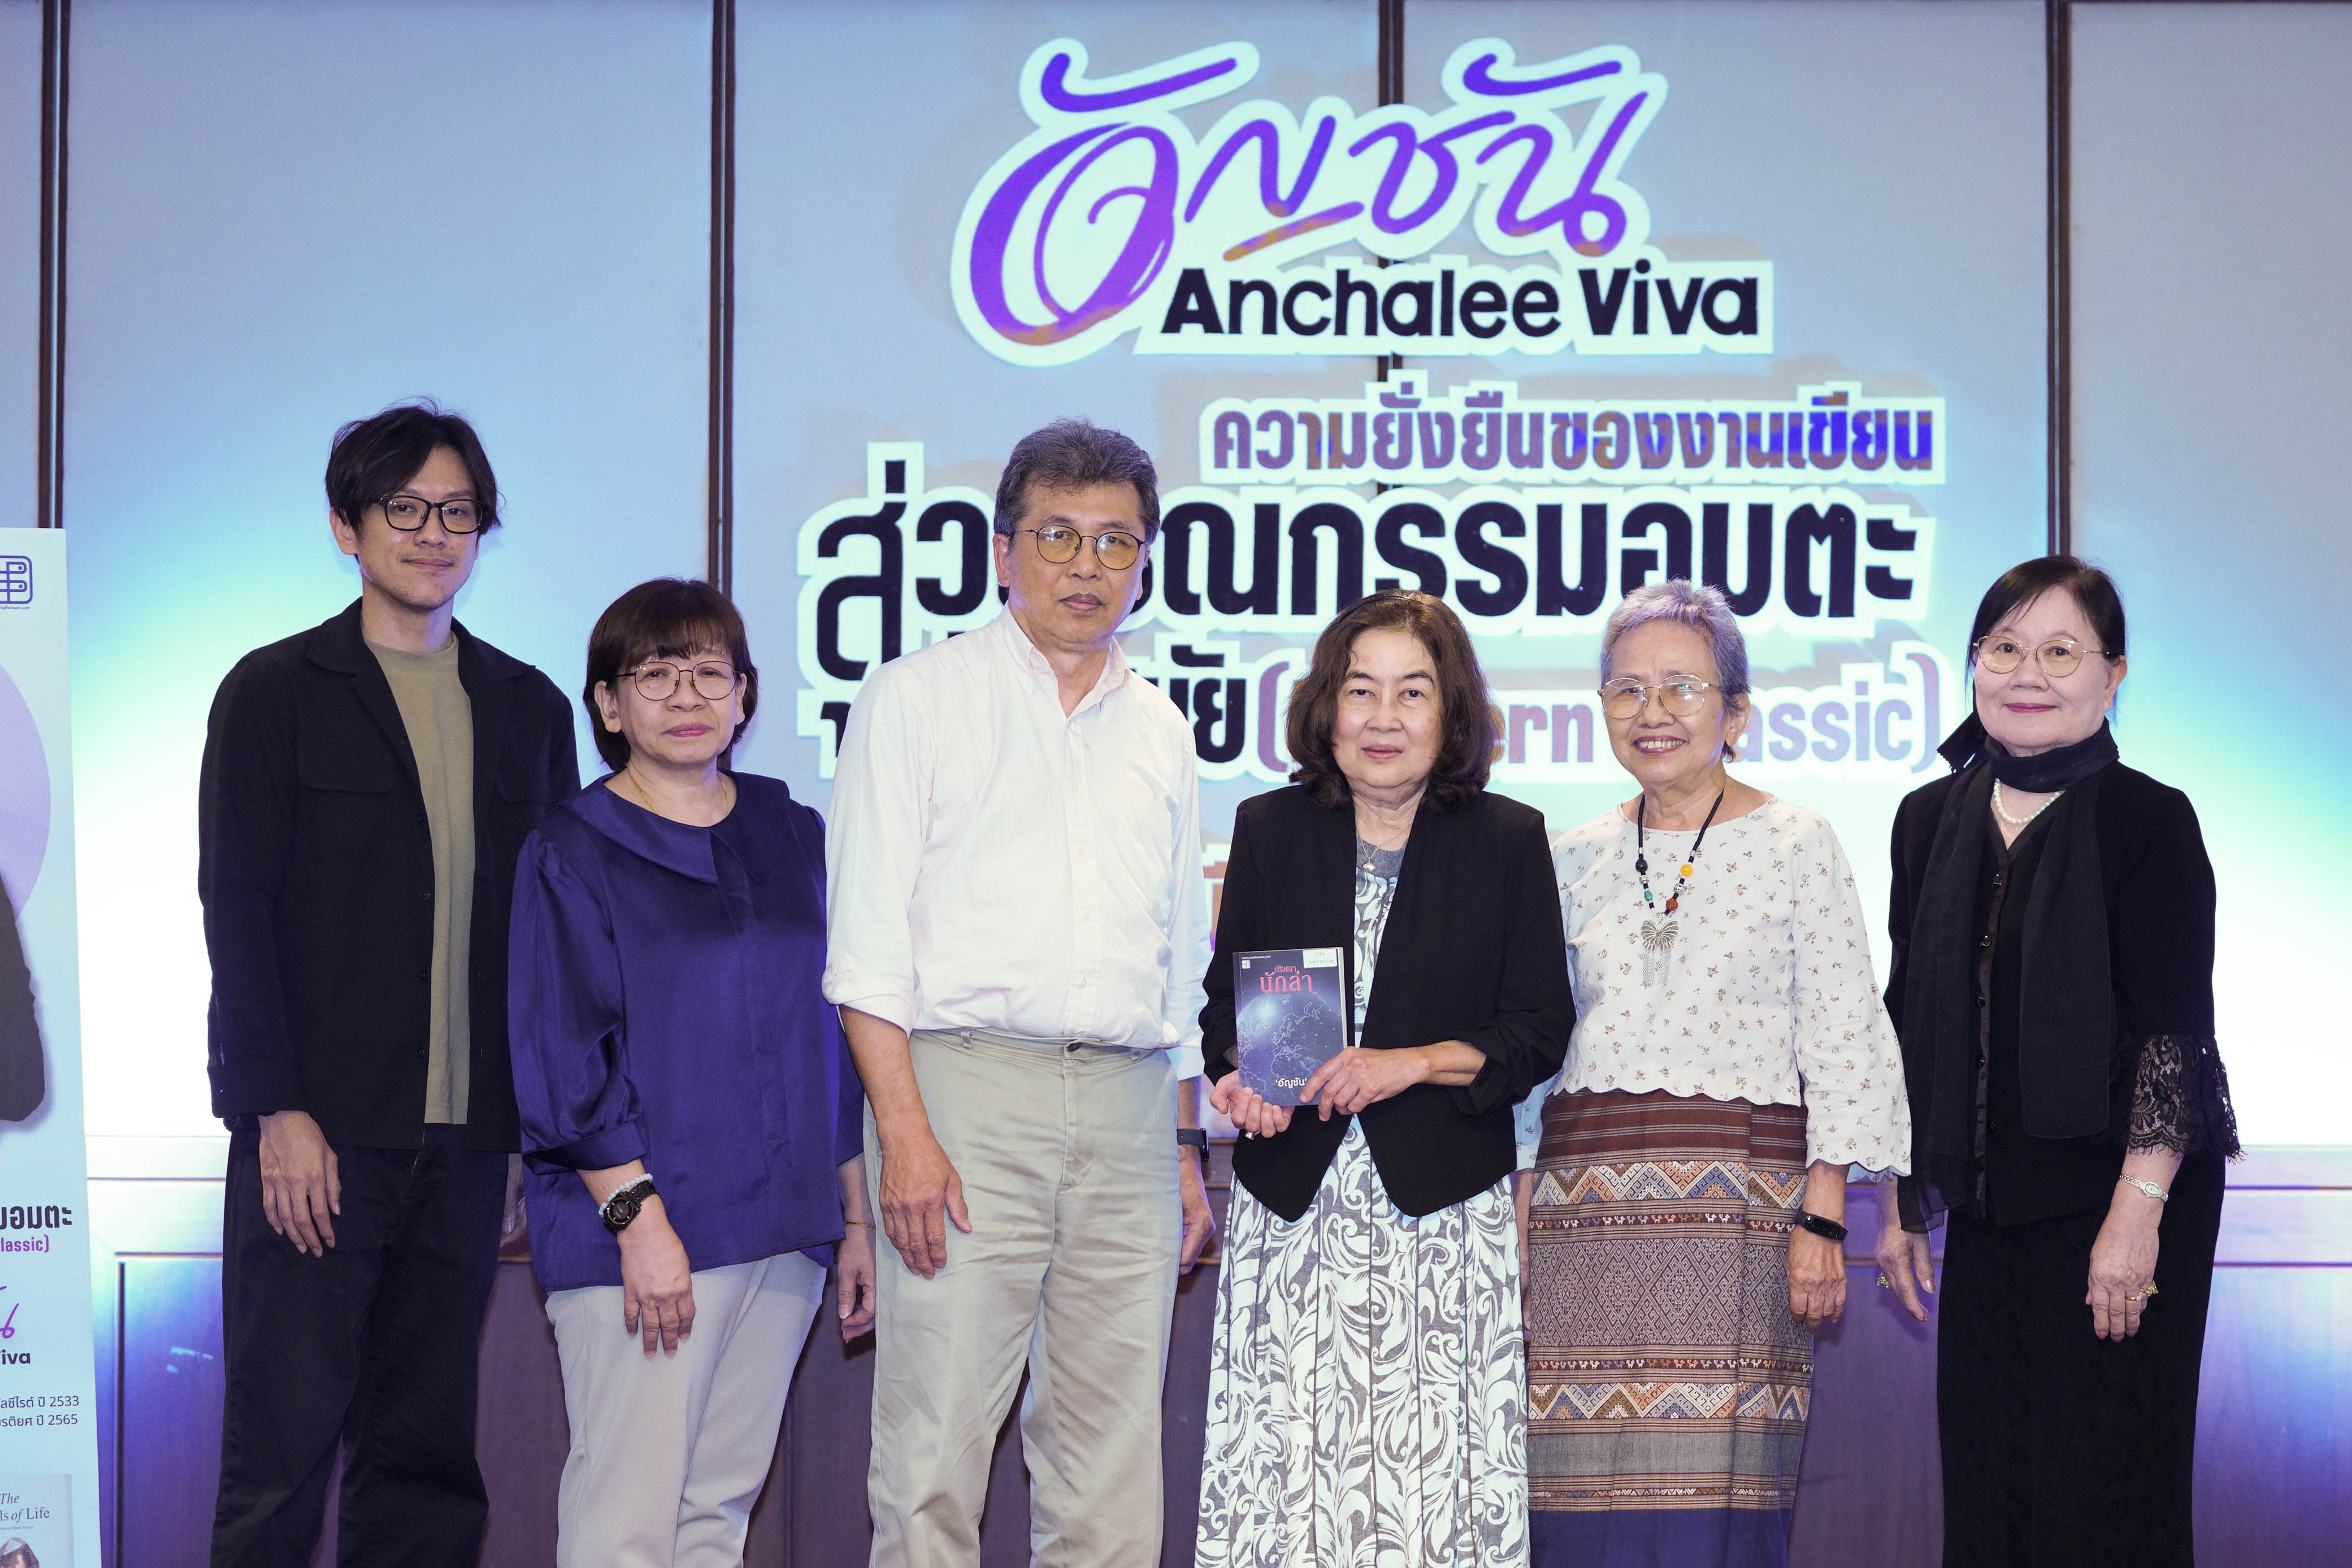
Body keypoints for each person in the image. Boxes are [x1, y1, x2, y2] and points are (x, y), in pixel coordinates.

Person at [824, 418, 1216, 1568]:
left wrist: (1181, 1141)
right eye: (1058, 535)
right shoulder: (915, 697)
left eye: (1115, 541)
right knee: (934, 1447)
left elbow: (1176, 960)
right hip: (963, 1099)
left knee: (1109, 1462)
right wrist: (905, 1135)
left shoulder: (1161, 728)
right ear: (1004, 551)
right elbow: (864, 950)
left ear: (1142, 561)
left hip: (1131, 1110)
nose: (1088, 565)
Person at [200, 402, 578, 1565]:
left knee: (424, 1466)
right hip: (322, 1138)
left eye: (456, 512)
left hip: (465, 1148)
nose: (432, 533)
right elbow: (237, 913)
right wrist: (274, 1110)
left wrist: (521, 1135)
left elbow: (545, 939)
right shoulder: (275, 691)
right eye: (404, 508)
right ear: (346, 526)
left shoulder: (529, 707)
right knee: (279, 1460)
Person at [1513, 580, 1911, 1568]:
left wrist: (1825, 1218)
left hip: (1741, 1217)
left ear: (1735, 712)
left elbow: (1843, 1032)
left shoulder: (1796, 842)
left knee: (1719, 1500)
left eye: (1681, 688)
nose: (1651, 712)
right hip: (1580, 1223)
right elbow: (1537, 1053)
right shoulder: (1566, 856)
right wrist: (1518, 1214)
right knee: (1573, 1500)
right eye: (1626, 690)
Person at [1196, 589, 1573, 1568]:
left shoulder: (1505, 838)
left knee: (1431, 1481)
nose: (1383, 717)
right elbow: (1225, 1012)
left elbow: (1537, 1030)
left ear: (1451, 714)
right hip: (1294, 1205)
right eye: (1359, 690)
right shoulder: (1270, 827)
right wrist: (1238, 1078)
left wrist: (1410, 1064)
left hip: (1439, 1210)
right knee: (1290, 1474)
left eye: (1412, 692)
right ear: (1326, 708)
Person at [1875, 555, 2238, 1567]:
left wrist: (2135, 1216)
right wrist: (1902, 1196)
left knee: (2104, 1497)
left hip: (2121, 1202)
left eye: (2059, 651)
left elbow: (2173, 1034)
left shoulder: (2148, 819)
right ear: (1972, 664)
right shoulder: (1926, 818)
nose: (2026, 674)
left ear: (2112, 674)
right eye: (2003, 648)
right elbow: (1906, 1018)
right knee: (1989, 1490)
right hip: (1988, 1205)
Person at [508, 577, 873, 1566]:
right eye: (654, 674)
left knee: (716, 1513)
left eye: (710, 673)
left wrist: (854, 1220)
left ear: (745, 696)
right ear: (606, 704)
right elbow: (563, 1058)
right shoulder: (569, 847)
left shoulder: (790, 830)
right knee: (625, 1522)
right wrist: (640, 1226)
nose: (685, 696)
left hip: (786, 1227)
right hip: (643, 1233)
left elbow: (831, 1035)